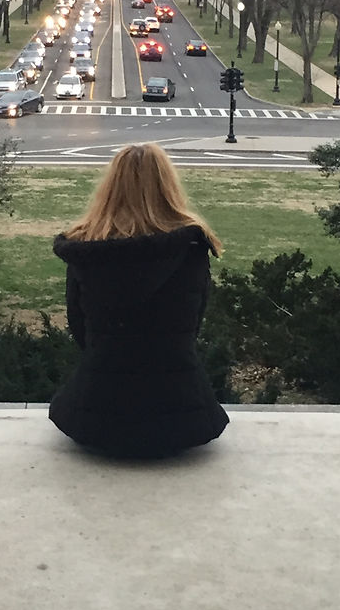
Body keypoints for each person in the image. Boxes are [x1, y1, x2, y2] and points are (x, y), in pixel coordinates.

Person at [49, 144, 229, 458]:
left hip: (95, 413)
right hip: (182, 413)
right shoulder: (191, 248)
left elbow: (80, 327)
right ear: (168, 186)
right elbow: (192, 324)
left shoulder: (85, 250)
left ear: (110, 188)